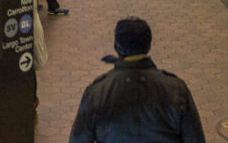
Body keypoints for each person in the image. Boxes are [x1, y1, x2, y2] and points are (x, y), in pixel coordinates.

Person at [69, 17, 204, 143]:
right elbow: (195, 138)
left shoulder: (96, 93)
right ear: (148, 45)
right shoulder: (176, 89)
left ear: (117, 47)